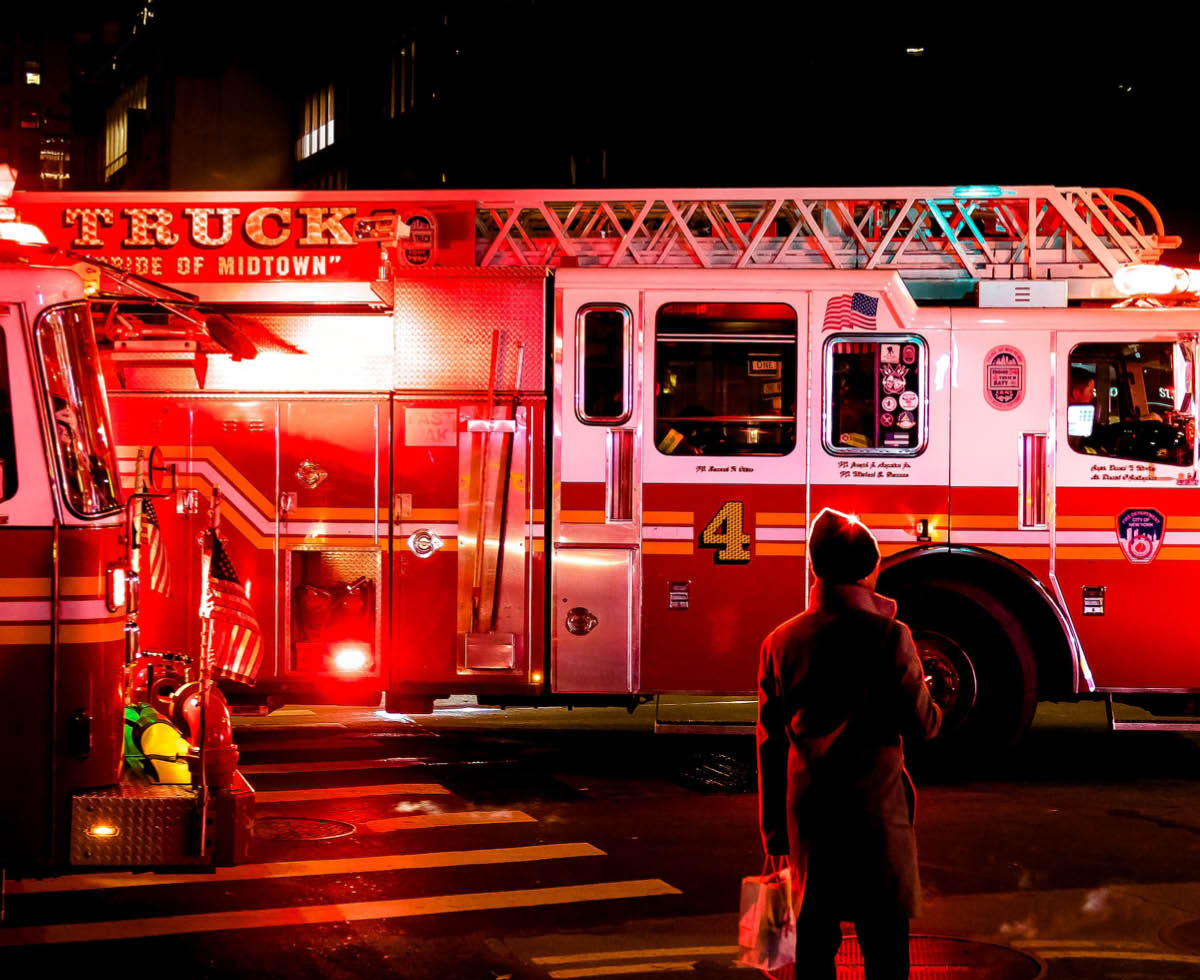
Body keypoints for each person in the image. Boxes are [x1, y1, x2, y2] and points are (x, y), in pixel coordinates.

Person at [756, 508, 942, 980]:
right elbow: (923, 725)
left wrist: (775, 834)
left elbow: (770, 745)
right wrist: (929, 691)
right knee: (884, 946)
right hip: (874, 816)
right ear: (871, 570)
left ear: (814, 568)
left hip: (809, 820)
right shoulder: (890, 637)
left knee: (812, 948)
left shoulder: (780, 641)